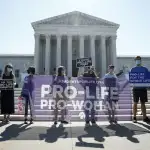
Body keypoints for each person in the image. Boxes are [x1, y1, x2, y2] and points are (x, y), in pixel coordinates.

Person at [131, 56, 150, 123]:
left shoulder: (145, 69)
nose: (138, 61)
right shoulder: (133, 69)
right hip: (135, 88)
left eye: (139, 59)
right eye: (137, 60)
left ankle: (144, 117)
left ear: (141, 60)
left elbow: (148, 78)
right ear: (135, 61)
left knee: (143, 103)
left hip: (143, 88)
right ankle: (134, 117)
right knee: (135, 103)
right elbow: (131, 79)